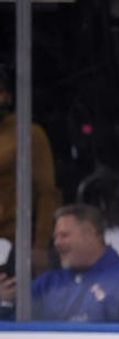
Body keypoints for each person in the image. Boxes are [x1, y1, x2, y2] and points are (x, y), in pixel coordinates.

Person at [33, 204, 119, 322]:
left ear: (91, 234)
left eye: (64, 235)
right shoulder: (46, 285)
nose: (57, 243)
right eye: (55, 237)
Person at [0, 63, 59, 274]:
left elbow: (46, 192)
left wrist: (41, 246)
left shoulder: (27, 132)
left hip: (12, 242)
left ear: (6, 95)